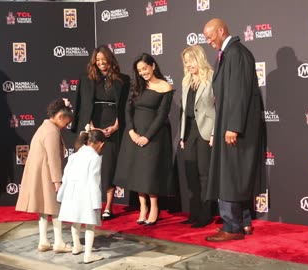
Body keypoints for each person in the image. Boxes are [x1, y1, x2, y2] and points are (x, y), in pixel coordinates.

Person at [202, 18, 266, 242]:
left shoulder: (236, 53)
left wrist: (233, 127)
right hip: (231, 124)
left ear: (221, 31)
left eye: (210, 36)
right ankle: (244, 223)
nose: (208, 40)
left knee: (230, 177)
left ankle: (232, 226)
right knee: (236, 177)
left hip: (234, 127)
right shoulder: (230, 53)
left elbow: (239, 93)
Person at [114, 53, 175, 226]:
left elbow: (162, 115)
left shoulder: (165, 87)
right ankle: (143, 208)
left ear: (153, 66)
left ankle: (154, 207)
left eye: (145, 68)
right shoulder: (136, 86)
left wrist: (147, 136)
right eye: (139, 70)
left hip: (154, 136)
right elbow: (127, 110)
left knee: (149, 173)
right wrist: (131, 131)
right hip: (133, 134)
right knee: (137, 173)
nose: (142, 73)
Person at [71, 45, 130, 220]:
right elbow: (82, 104)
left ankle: (108, 206)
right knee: (89, 166)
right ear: (94, 62)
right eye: (98, 61)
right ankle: (88, 204)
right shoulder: (86, 78)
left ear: (111, 60)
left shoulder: (123, 80)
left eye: (104, 60)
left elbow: (126, 106)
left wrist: (117, 126)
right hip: (92, 126)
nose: (102, 64)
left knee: (109, 167)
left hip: (113, 126)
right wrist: (90, 126)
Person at [15, 99, 73, 253]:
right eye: (67, 122)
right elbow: (53, 159)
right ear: (60, 116)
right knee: (55, 208)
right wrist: (57, 181)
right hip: (46, 174)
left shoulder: (45, 127)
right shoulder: (51, 131)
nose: (67, 126)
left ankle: (43, 241)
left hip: (40, 174)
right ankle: (59, 242)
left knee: (44, 209)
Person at [179, 45, 216, 228]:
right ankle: (193, 213)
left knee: (204, 174)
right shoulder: (186, 81)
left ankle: (205, 215)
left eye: (190, 60)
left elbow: (218, 107)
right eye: (185, 62)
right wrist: (182, 135)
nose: (188, 64)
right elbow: (185, 110)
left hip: (205, 130)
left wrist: (214, 132)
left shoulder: (211, 77)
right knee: (190, 173)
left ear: (199, 58)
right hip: (189, 131)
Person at [57, 129, 106, 264]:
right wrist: (97, 202)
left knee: (75, 219)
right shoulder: (95, 158)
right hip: (86, 193)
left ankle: (76, 246)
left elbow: (65, 176)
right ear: (100, 144)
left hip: (71, 192)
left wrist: (61, 194)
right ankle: (88, 255)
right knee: (90, 224)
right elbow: (93, 181)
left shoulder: (74, 155)